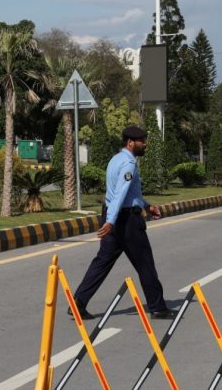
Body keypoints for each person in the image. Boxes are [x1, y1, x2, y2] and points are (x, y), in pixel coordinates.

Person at [69, 124, 176, 321]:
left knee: (102, 261)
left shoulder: (116, 159)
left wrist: (146, 205)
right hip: (125, 221)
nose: (145, 144)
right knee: (145, 263)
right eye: (141, 141)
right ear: (130, 142)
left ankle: (79, 302)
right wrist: (111, 221)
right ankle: (158, 307)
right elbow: (119, 193)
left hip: (116, 214)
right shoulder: (129, 164)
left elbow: (127, 193)